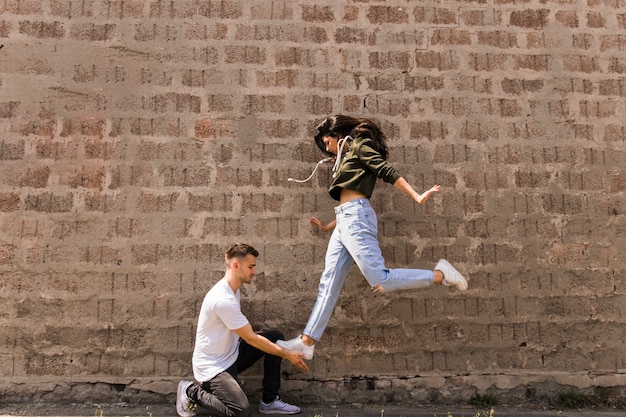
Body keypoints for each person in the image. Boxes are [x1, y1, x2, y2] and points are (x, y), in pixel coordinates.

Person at [278, 115, 469, 360]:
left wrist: (417, 196)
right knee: (328, 283)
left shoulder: (359, 145)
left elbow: (385, 171)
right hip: (346, 219)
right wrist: (328, 227)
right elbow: (350, 201)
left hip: (356, 218)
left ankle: (441, 275)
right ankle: (306, 342)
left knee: (381, 280)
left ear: (338, 135)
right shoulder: (348, 156)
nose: (327, 148)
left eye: (328, 142)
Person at [176, 243, 309, 417]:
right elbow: (251, 339)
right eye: (251, 266)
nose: (254, 271)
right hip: (213, 367)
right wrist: (286, 353)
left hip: (232, 354)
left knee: (275, 337)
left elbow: (248, 336)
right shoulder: (223, 299)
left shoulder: (233, 290)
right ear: (236, 265)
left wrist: (277, 348)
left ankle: (269, 401)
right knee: (241, 411)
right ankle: (190, 391)